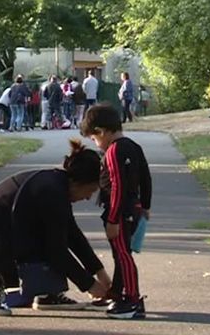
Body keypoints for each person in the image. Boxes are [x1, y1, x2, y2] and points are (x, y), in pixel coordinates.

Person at [0, 140, 111, 316]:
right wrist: (89, 284)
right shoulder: (51, 193)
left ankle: (46, 294)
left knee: (51, 235)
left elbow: (73, 235)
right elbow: (57, 251)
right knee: (50, 242)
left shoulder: (55, 183)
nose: (89, 197)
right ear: (78, 182)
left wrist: (99, 272)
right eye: (90, 190)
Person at [81, 103, 152, 319]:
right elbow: (146, 177)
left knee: (123, 255)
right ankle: (119, 292)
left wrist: (112, 219)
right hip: (134, 207)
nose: (97, 144)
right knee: (122, 254)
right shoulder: (133, 146)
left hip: (119, 212)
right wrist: (146, 206)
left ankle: (132, 299)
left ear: (101, 132)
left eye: (94, 139)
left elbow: (117, 186)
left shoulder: (112, 152)